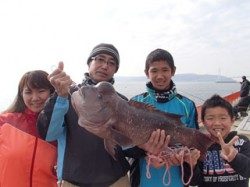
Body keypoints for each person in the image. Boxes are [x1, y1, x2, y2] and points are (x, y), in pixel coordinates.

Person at [37, 43, 165, 187]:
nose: (105, 66)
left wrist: (148, 148)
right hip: (73, 181)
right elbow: (48, 134)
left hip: (117, 181)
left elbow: (127, 145)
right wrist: (59, 96)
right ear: (89, 63)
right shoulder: (66, 95)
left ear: (115, 70)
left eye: (111, 63)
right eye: (100, 59)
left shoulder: (122, 102)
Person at [129, 48, 200, 187]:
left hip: (178, 181)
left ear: (173, 71)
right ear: (146, 73)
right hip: (144, 180)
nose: (160, 76)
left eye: (165, 70)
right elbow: (125, 145)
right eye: (154, 71)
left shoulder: (187, 105)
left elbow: (194, 143)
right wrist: (146, 153)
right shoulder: (134, 103)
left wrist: (185, 156)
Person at [0, 70, 57, 187]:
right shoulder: (4, 122)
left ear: (51, 92)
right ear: (21, 94)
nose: (35, 98)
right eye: (28, 92)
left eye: (41, 91)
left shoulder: (60, 126)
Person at [189, 94, 250, 187]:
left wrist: (235, 158)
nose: (217, 123)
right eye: (210, 118)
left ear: (232, 120)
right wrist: (191, 165)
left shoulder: (242, 141)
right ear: (203, 122)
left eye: (223, 118)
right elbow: (195, 182)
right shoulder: (199, 146)